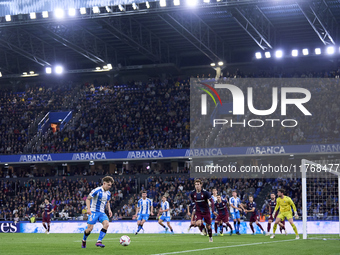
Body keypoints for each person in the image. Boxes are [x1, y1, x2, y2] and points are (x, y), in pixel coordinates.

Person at [82, 176, 113, 248]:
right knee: (89, 229)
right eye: (108, 185)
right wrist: (88, 209)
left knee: (106, 224)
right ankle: (84, 240)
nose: (109, 186)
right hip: (93, 212)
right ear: (104, 183)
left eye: (110, 185)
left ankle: (99, 241)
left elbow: (107, 202)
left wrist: (109, 210)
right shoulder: (96, 190)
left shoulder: (108, 193)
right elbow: (88, 199)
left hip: (102, 213)